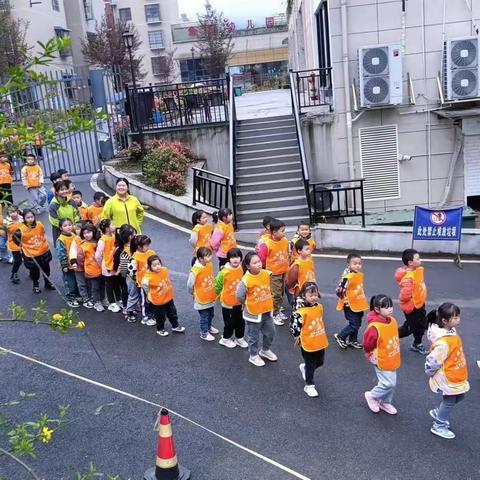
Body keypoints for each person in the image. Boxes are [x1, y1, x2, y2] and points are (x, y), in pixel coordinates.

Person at [425, 303, 469, 440]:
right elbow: (433, 360)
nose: (458, 320)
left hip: (456, 372)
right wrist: (430, 372)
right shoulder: (443, 342)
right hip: (447, 376)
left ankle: (440, 412)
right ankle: (438, 425)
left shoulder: (450, 331)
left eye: (458, 317)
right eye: (455, 318)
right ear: (445, 321)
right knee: (450, 400)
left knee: (460, 396)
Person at [236, 252, 277, 367]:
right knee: (253, 336)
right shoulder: (246, 279)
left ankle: (265, 350)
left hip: (267, 311)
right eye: (255, 263)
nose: (259, 264)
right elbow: (239, 295)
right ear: (248, 266)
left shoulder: (266, 274)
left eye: (259, 261)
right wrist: (244, 303)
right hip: (253, 314)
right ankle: (253, 355)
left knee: (271, 332)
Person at [363, 294, 401, 415]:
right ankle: (372, 396)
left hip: (391, 356)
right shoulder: (374, 327)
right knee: (388, 383)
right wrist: (370, 354)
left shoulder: (392, 321)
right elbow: (368, 344)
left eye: (391, 306)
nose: (390, 309)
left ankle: (385, 401)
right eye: (386, 307)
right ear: (377, 309)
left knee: (392, 383)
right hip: (380, 358)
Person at [290, 282, 328, 398]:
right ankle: (309, 385)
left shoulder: (319, 307)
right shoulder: (300, 312)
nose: (314, 297)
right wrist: (297, 338)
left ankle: (305, 368)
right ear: (303, 296)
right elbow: (294, 326)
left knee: (320, 362)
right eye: (310, 295)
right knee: (311, 364)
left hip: (319, 340)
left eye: (315, 294)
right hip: (307, 342)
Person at [142, 255, 185, 337]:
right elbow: (145, 286)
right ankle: (160, 329)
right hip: (158, 301)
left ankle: (175, 326)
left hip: (168, 297)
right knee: (160, 316)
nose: (157, 266)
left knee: (172, 313)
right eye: (154, 265)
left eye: (158, 264)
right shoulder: (148, 278)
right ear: (150, 266)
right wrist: (149, 295)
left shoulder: (164, 270)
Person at [395, 248, 428, 354]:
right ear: (410, 263)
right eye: (417, 259)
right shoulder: (408, 278)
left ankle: (417, 344)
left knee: (421, 325)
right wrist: (413, 300)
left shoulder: (416, 271)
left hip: (419, 304)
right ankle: (388, 336)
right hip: (413, 307)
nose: (420, 260)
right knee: (410, 328)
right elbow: (404, 296)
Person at [257, 218, 289, 326]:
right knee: (276, 295)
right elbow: (262, 258)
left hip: (284, 270)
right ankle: (274, 314)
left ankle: (278, 310)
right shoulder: (266, 244)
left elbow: (287, 253)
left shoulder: (284, 241)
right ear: (274, 232)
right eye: (282, 231)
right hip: (274, 273)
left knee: (281, 293)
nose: (284, 233)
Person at [13, 209, 54, 293]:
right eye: (28, 217)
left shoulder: (39, 224)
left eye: (32, 217)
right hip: (32, 256)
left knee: (46, 270)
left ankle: (47, 283)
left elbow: (43, 232)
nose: (30, 219)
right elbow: (16, 240)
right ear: (24, 218)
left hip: (44, 252)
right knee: (35, 273)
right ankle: (35, 285)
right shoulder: (20, 231)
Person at [333, 253, 369, 350]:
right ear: (349, 265)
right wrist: (345, 300)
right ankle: (341, 336)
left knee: (358, 322)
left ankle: (353, 340)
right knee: (354, 324)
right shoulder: (347, 277)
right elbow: (339, 290)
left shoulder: (359, 275)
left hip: (359, 304)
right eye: (355, 264)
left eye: (359, 263)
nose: (358, 265)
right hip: (350, 305)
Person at [215, 247, 247, 349]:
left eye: (237, 257)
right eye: (233, 257)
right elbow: (217, 286)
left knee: (240, 322)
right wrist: (215, 296)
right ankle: (225, 339)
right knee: (229, 323)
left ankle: (239, 338)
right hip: (228, 303)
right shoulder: (224, 272)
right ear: (228, 259)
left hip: (239, 302)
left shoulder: (241, 268)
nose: (235, 259)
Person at [71, 223, 105, 312]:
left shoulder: (98, 242)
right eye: (85, 233)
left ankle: (102, 299)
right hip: (91, 269)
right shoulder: (83, 245)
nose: (87, 235)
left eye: (89, 232)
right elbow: (80, 258)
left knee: (102, 285)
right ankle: (96, 302)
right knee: (95, 287)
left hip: (101, 268)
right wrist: (84, 266)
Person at [187, 246, 218, 341]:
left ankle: (208, 327)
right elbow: (190, 284)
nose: (210, 258)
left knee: (210, 314)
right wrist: (193, 293)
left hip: (209, 295)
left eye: (210, 255)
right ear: (200, 258)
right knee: (204, 316)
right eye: (207, 256)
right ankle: (204, 333)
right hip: (201, 297)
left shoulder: (209, 264)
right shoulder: (195, 270)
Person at [128, 234, 156, 325]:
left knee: (152, 299)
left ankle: (152, 314)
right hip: (142, 284)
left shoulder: (151, 253)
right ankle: (145, 316)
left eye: (148, 244)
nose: (148, 247)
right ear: (139, 246)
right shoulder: (135, 257)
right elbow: (131, 271)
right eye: (146, 245)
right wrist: (136, 280)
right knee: (144, 301)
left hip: (152, 281)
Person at [96, 219, 122, 313]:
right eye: (112, 225)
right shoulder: (102, 241)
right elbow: (98, 256)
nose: (114, 226)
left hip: (115, 264)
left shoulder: (114, 236)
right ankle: (112, 303)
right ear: (107, 228)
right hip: (107, 265)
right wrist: (101, 265)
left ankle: (118, 300)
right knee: (109, 285)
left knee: (116, 283)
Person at [113, 224, 136, 317]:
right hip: (126, 276)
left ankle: (130, 306)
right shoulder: (126, 251)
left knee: (129, 292)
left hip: (129, 275)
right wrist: (125, 275)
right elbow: (123, 267)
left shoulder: (127, 248)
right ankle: (126, 307)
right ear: (130, 237)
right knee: (126, 291)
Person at [56, 218, 80, 308]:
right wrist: (64, 265)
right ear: (61, 228)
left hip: (75, 264)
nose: (68, 227)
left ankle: (77, 295)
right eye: (65, 226)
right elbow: (61, 253)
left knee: (77, 280)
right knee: (69, 282)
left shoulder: (74, 235)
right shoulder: (61, 239)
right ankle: (70, 297)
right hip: (68, 265)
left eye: (70, 225)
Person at [69, 220, 92, 308]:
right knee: (81, 283)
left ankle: (90, 296)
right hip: (78, 266)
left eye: (80, 229)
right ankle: (85, 298)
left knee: (89, 282)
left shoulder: (88, 238)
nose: (79, 231)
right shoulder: (76, 239)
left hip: (88, 265)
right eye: (77, 229)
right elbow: (73, 251)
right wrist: (73, 261)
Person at [5, 206, 23, 283]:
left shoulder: (22, 219)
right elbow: (10, 230)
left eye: (14, 212)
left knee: (28, 259)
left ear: (17, 212)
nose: (13, 214)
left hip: (24, 242)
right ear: (8, 213)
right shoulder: (7, 222)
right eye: (11, 212)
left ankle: (31, 271)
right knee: (18, 260)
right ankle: (14, 273)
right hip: (14, 244)